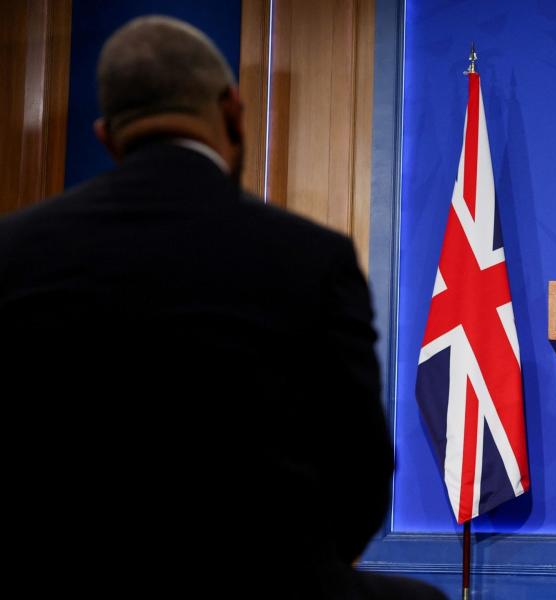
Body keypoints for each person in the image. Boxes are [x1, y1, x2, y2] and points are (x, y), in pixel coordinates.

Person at [0, 15, 442, 599]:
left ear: (106, 135)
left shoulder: (14, 250)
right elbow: (359, 474)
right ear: (233, 109)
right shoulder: (313, 257)